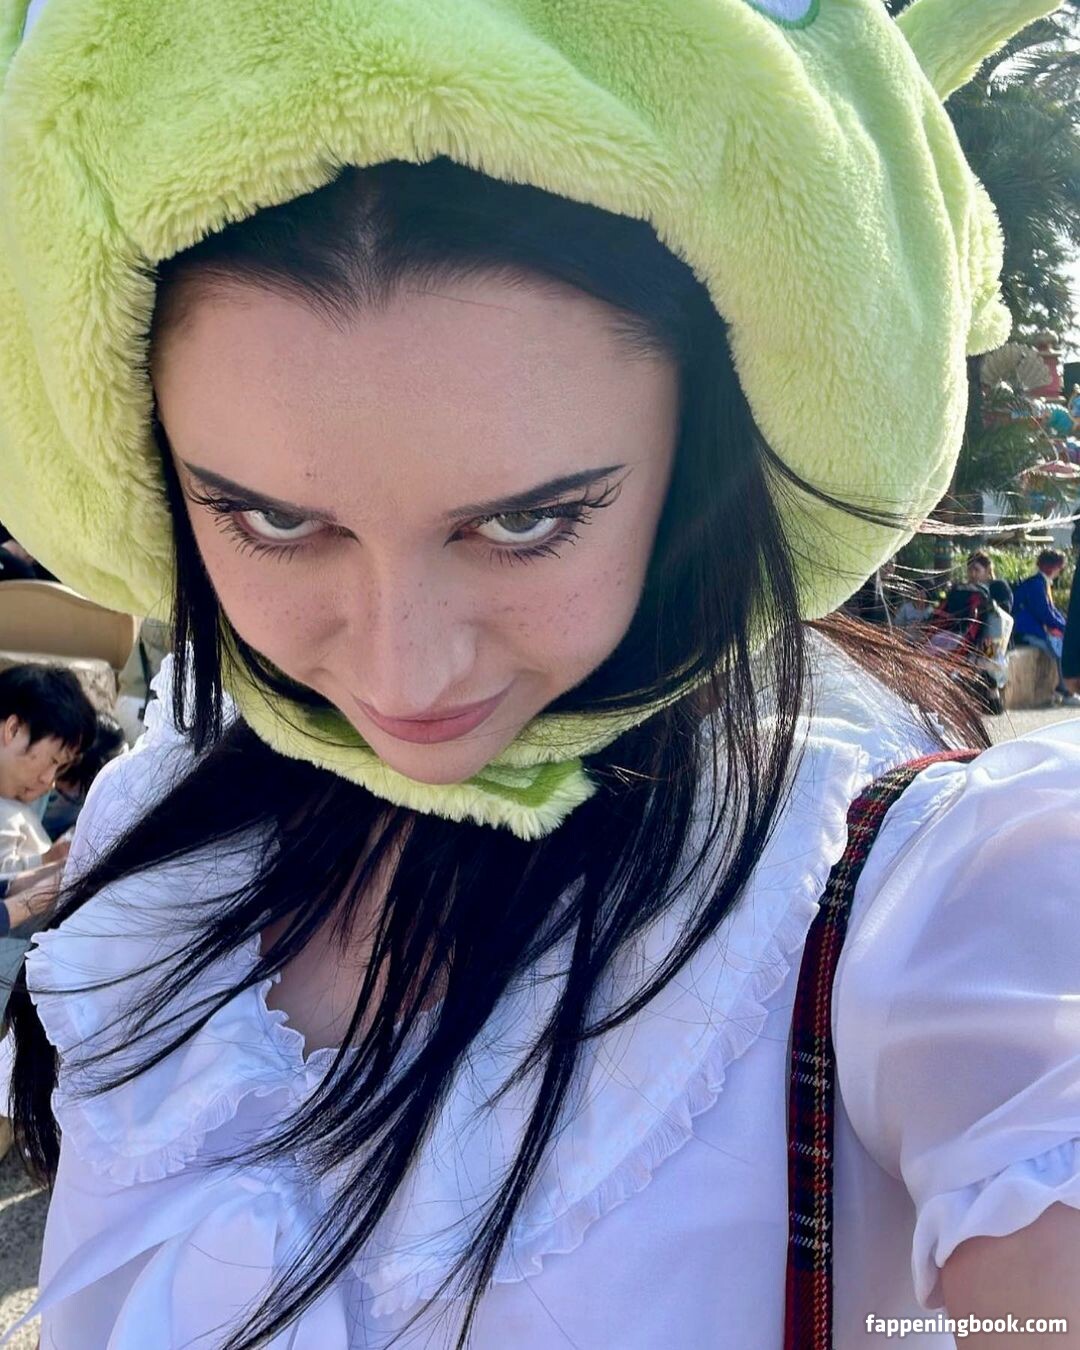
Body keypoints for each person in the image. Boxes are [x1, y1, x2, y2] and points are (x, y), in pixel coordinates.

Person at [2, 4, 1079, 1350]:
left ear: (702, 453)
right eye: (271, 518)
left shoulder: (929, 901)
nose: (402, 670)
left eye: (524, 520)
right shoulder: (163, 820)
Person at [0, 664, 96, 890]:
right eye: (53, 761)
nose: (49, 780)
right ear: (13, 730)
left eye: (60, 767)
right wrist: (50, 860)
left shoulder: (15, 794)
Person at [1012, 548, 1080, 705]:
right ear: (1052, 567)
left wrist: (1065, 625)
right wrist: (1065, 628)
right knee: (1061, 650)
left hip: (1036, 629)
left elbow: (1051, 611)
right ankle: (1065, 691)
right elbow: (1045, 613)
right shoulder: (1036, 584)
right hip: (1028, 631)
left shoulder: (1041, 583)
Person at [966, 550, 1013, 614]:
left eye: (976, 570)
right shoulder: (965, 589)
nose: (972, 574)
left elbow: (1006, 607)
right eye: (969, 570)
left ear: (987, 570)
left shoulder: (998, 586)